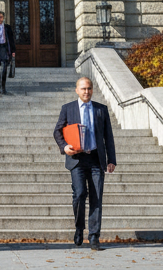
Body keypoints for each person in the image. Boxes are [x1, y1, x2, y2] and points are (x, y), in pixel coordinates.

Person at [52, 77, 116, 251]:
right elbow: (57, 131)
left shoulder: (101, 109)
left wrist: (111, 159)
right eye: (83, 89)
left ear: (92, 90)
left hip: (96, 158)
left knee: (96, 197)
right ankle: (79, 228)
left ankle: (94, 236)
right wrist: (65, 147)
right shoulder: (68, 109)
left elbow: (108, 136)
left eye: (89, 88)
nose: (86, 91)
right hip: (77, 160)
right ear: (77, 90)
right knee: (79, 194)